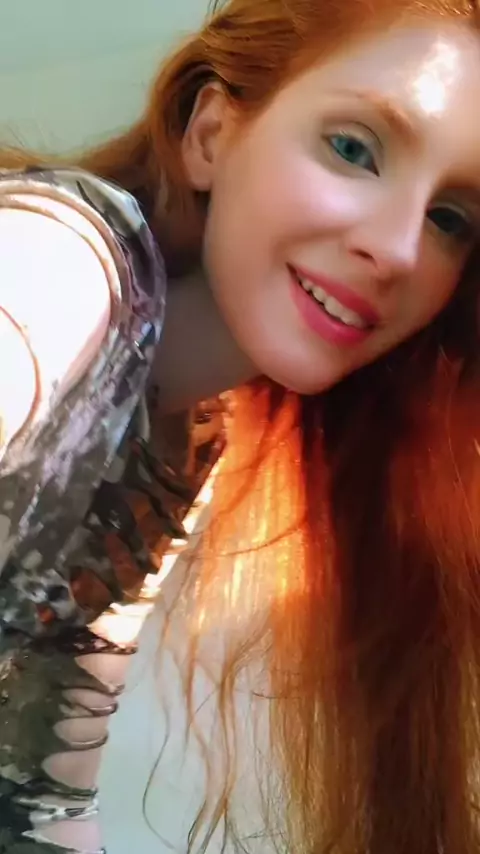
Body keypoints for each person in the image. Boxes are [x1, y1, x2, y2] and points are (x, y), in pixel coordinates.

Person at [2, 0, 480, 851]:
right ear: (211, 135)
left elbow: (39, 801)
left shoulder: (187, 436)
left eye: (450, 218)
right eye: (354, 148)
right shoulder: (55, 275)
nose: (400, 249)